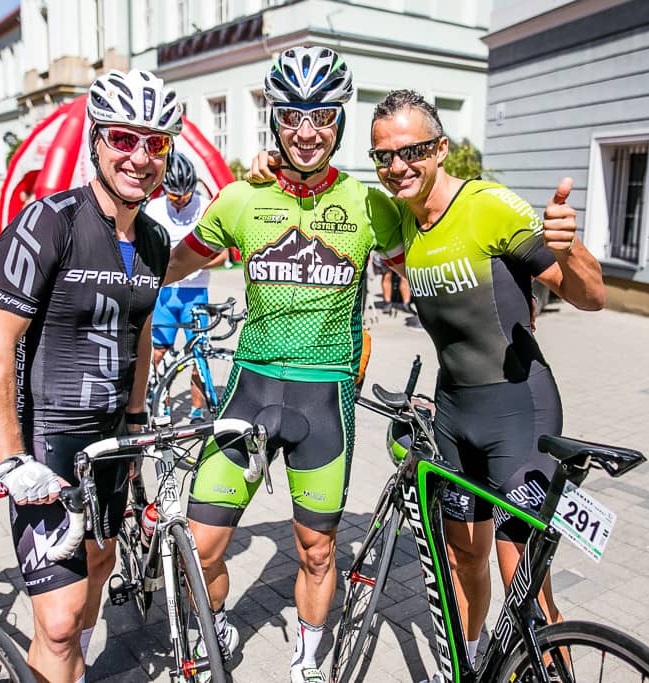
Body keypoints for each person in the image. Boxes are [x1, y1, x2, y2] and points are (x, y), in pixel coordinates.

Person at [165, 46, 403, 683]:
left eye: (321, 116)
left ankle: (307, 660)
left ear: (340, 121)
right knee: (201, 546)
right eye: (292, 115)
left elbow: (428, 271)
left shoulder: (370, 205)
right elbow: (171, 264)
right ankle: (217, 625)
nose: (306, 131)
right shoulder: (241, 197)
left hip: (324, 401)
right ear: (274, 119)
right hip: (250, 390)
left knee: (317, 551)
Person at [367, 90, 605, 681]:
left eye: (412, 151)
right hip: (453, 415)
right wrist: (274, 167)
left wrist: (569, 245)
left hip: (519, 412)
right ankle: (468, 666)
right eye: (383, 156)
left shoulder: (489, 207)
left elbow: (592, 296)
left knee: (522, 578)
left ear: (440, 149)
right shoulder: (400, 218)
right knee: (461, 557)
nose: (398, 166)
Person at [0, 68, 181, 683]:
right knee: (60, 620)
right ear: (96, 140)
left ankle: (72, 669)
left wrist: (138, 419)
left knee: (98, 565)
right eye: (123, 138)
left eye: (155, 143)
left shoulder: (155, 239)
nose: (139, 156)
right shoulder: (48, 221)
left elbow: (139, 328)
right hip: (50, 443)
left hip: (113, 441)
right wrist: (11, 460)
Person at [144, 152, 224, 422]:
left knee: (198, 354)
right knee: (160, 353)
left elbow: (223, 256)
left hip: (195, 293)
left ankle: (197, 411)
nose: (180, 200)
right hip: (165, 294)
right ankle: (162, 406)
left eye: (186, 195)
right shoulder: (154, 209)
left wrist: (194, 265)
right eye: (173, 195)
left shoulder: (205, 206)